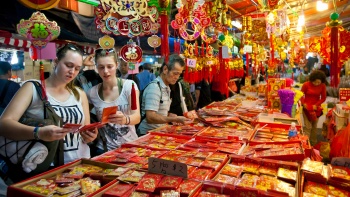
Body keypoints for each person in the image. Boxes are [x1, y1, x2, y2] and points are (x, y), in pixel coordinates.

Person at [0, 44, 97, 182]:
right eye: (68, 65)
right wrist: (39, 132)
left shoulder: (79, 93)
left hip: (79, 165)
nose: (72, 72)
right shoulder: (32, 88)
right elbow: (4, 124)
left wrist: (90, 136)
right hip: (45, 168)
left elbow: (84, 131)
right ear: (56, 62)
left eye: (77, 68)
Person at [87, 48, 140, 155]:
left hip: (130, 146)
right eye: (101, 67)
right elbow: (85, 119)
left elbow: (137, 117)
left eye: (109, 66)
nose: (105, 71)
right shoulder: (92, 93)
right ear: (96, 68)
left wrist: (125, 119)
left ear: (116, 65)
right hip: (103, 149)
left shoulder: (129, 86)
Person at [137, 54, 189, 135]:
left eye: (179, 74)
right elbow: (150, 117)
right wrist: (173, 119)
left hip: (158, 131)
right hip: (146, 133)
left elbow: (159, 112)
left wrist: (169, 115)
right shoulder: (154, 88)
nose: (177, 77)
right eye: (175, 73)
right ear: (165, 69)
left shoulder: (166, 87)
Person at [301, 70, 327, 146]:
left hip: (316, 109)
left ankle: (313, 143)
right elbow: (301, 95)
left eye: (318, 82)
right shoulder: (306, 84)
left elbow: (323, 98)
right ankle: (305, 144)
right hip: (306, 108)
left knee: (314, 127)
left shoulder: (322, 86)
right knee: (308, 127)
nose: (316, 84)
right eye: (315, 82)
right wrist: (303, 103)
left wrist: (317, 105)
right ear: (312, 80)